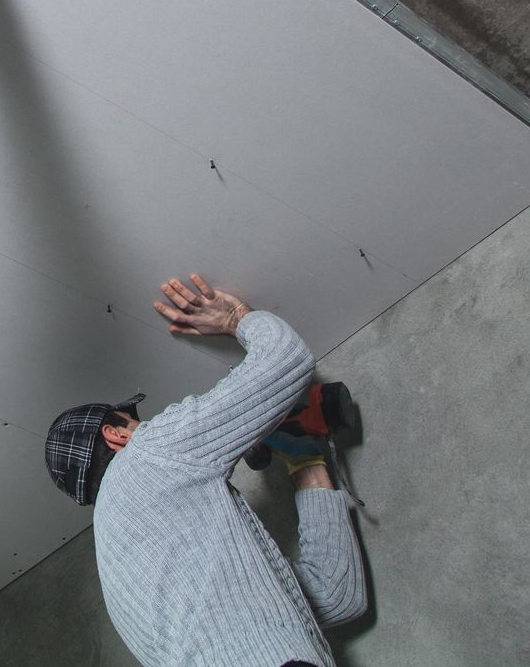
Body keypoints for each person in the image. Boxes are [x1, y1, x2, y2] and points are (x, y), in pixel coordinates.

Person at [44, 272, 368, 667]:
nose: (148, 423)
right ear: (115, 436)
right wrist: (234, 317)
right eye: (134, 419)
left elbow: (336, 597)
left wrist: (305, 462)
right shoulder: (149, 452)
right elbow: (287, 359)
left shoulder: (120, 582)